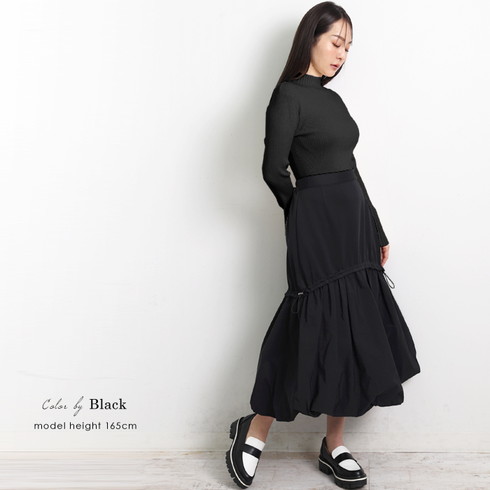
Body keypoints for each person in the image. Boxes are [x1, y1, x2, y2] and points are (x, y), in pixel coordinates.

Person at [225, 2, 421, 488]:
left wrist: (375, 227)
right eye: (336, 42)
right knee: (308, 322)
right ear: (310, 38)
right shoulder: (287, 96)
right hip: (315, 223)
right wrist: (301, 209)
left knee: (354, 325)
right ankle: (255, 428)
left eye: (348, 47)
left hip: (354, 223)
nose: (342, 54)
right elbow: (273, 169)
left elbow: (350, 167)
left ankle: (334, 444)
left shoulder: (333, 101)